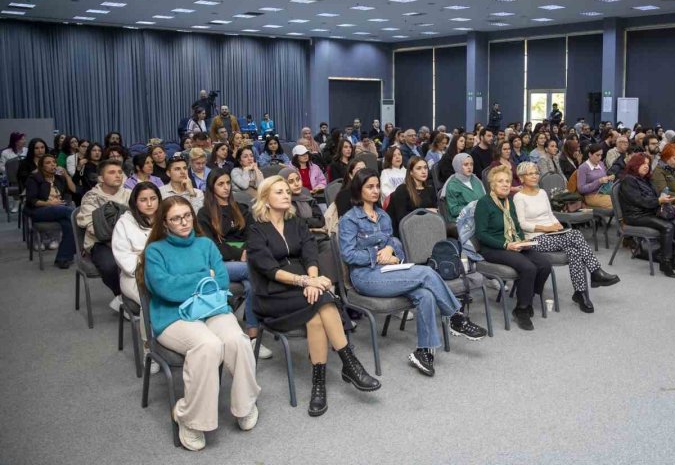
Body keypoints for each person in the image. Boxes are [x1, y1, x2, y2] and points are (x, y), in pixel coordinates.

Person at [248, 176, 379, 414]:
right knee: (324, 300)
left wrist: (314, 280)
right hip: (272, 295)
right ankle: (350, 363)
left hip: (302, 288)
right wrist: (307, 281)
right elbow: (269, 269)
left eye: (288, 191)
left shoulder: (295, 222)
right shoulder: (257, 230)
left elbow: (310, 252)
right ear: (265, 199)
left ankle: (318, 384)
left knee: (317, 315)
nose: (287, 195)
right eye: (279, 192)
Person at [138, 196, 260, 450]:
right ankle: (189, 417)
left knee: (237, 340)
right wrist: (204, 276)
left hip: (211, 308)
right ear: (164, 223)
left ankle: (244, 404)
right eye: (175, 218)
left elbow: (223, 281)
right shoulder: (155, 251)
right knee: (208, 346)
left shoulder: (205, 244)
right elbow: (166, 289)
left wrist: (186, 280)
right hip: (173, 316)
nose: (183, 222)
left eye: (187, 216)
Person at [339, 169, 486, 376]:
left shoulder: (382, 216)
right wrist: (376, 254)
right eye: (369, 187)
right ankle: (455, 316)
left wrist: (390, 250)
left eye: (377, 186)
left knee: (425, 294)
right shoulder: (349, 219)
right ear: (358, 189)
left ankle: (424, 352)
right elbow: (349, 255)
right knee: (425, 273)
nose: (375, 190)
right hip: (365, 277)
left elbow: (393, 242)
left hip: (389, 270)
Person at [514, 161, 619, 313]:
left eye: (536, 173)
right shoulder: (519, 197)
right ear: (522, 178)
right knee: (575, 234)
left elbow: (550, 215)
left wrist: (558, 226)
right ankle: (595, 272)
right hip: (534, 239)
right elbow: (522, 224)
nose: (535, 176)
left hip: (553, 235)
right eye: (530, 173)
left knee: (574, 252)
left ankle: (580, 293)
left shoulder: (542, 193)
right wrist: (546, 228)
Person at [197, 169, 270, 358]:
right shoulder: (204, 214)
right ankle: (253, 335)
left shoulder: (241, 208)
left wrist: (246, 251)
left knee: (251, 283)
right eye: (220, 184)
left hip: (245, 259)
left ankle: (252, 338)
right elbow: (210, 246)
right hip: (219, 264)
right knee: (254, 272)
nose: (226, 188)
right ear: (212, 187)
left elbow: (254, 234)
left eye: (228, 183)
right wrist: (240, 253)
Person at [474, 165, 554, 330]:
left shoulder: (509, 201)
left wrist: (522, 242)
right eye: (500, 181)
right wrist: (506, 244)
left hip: (514, 243)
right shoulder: (484, 203)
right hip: (493, 248)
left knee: (545, 264)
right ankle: (522, 309)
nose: (505, 184)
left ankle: (528, 295)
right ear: (492, 185)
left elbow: (516, 227)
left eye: (508, 181)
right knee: (528, 267)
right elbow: (481, 234)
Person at [111, 181, 162, 374]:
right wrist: (150, 258)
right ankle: (149, 348)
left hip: (165, 272)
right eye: (143, 200)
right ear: (135, 202)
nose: (149, 204)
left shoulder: (166, 217)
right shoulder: (125, 222)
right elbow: (124, 258)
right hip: (134, 277)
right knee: (149, 298)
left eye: (153, 199)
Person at [77, 159, 132, 308]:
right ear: (101, 178)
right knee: (111, 266)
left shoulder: (129, 194)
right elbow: (91, 225)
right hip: (100, 242)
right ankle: (122, 297)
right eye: (112, 172)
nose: (118, 175)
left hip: (128, 239)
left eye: (120, 172)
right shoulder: (91, 197)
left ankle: (136, 297)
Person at [619, 154, 675, 277]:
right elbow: (639, 201)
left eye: (648, 164)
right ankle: (665, 262)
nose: (646, 166)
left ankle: (670, 256)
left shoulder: (646, 179)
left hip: (649, 211)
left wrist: (665, 198)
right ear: (634, 165)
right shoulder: (628, 180)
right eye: (643, 164)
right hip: (635, 216)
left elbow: (654, 196)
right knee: (668, 227)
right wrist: (659, 201)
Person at [25, 154, 77, 268]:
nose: (52, 164)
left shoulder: (59, 178)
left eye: (54, 162)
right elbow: (32, 200)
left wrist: (67, 176)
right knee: (73, 214)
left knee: (70, 225)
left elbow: (74, 190)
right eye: (48, 163)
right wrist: (49, 203)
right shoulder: (34, 178)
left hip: (59, 210)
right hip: (40, 210)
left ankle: (63, 258)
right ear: (41, 166)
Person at [386, 156, 438, 235]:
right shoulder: (402, 190)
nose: (424, 171)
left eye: (425, 168)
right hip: (408, 232)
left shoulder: (430, 189)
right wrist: (425, 211)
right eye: (419, 168)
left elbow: (436, 212)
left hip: (427, 227)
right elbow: (402, 217)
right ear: (411, 172)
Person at [442, 153, 487, 220]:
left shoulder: (475, 179)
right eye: (466, 164)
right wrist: (470, 207)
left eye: (471, 164)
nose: (469, 167)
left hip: (481, 214)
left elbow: (484, 198)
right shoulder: (452, 185)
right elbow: (454, 210)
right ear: (458, 166)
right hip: (464, 220)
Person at [577, 144, 615, 209]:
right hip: (591, 196)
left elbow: (603, 178)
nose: (600, 158)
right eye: (597, 155)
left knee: (622, 199)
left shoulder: (601, 164)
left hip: (604, 192)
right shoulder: (583, 168)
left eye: (601, 155)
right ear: (590, 154)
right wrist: (598, 181)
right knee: (616, 203)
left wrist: (609, 178)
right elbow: (581, 189)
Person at [2, 132, 27, 213]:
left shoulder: (27, 151)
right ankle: (17, 201)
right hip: (12, 177)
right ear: (15, 141)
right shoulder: (5, 152)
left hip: (26, 176)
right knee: (13, 165)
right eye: (22, 139)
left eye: (24, 139)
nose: (24, 141)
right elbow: (2, 166)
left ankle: (24, 201)